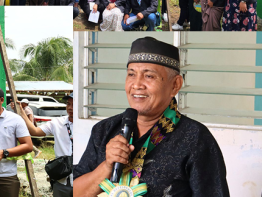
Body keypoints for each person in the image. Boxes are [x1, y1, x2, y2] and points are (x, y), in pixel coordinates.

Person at [74, 37, 230, 196]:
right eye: (131, 74)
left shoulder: (196, 139)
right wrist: (106, 166)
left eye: (149, 76)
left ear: (175, 85)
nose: (136, 85)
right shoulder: (104, 130)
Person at [15, 94, 73, 197]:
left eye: (74, 105)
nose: (70, 108)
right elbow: (34, 131)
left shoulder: (89, 125)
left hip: (83, 178)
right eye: (68, 104)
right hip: (62, 180)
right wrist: (21, 112)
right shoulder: (57, 123)